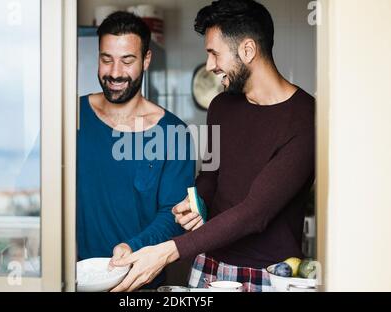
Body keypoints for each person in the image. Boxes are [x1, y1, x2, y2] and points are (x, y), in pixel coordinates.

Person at [112, 0, 315, 292]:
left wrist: (169, 250)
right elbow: (210, 176)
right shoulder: (221, 105)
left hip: (267, 276)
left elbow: (255, 213)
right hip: (209, 267)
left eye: (213, 53)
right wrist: (196, 201)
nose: (209, 65)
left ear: (247, 50)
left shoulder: (306, 119)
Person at [77, 12, 195, 288]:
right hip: (71, 279)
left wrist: (133, 246)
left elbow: (173, 215)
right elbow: (38, 191)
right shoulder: (70, 116)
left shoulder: (173, 133)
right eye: (106, 59)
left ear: (146, 60)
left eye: (127, 61)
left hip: (140, 284)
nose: (115, 72)